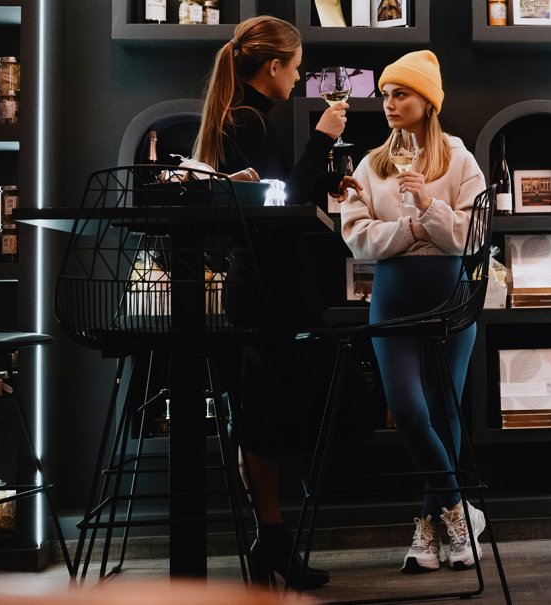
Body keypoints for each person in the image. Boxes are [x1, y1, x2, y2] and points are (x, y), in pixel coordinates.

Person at [190, 15, 365, 589]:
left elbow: (282, 191)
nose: (298, 77)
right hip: (266, 288)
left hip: (260, 285)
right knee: (292, 408)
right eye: (294, 67)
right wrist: (324, 136)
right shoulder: (246, 119)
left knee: (261, 415)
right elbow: (280, 201)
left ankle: (273, 542)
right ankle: (274, 541)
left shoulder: (245, 117)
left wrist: (325, 181)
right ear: (272, 66)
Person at [340, 50, 488, 574]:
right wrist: (415, 229)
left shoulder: (460, 160)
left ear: (428, 101)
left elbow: (474, 237)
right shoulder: (370, 164)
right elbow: (357, 238)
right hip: (393, 301)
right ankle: (460, 511)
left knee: (445, 414)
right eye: (385, 94)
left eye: (400, 93)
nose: (388, 104)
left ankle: (428, 529)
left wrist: (427, 205)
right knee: (407, 411)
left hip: (452, 303)